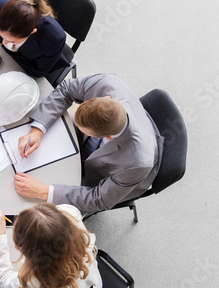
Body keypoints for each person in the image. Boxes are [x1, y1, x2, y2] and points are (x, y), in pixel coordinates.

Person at [14, 73, 164, 214]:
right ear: (104, 97)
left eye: (83, 129)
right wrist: (37, 130)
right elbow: (67, 89)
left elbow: (100, 200)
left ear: (109, 137)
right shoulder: (106, 83)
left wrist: (43, 191)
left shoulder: (137, 163)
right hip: (105, 141)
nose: (77, 127)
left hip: (108, 176)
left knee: (42, 211)